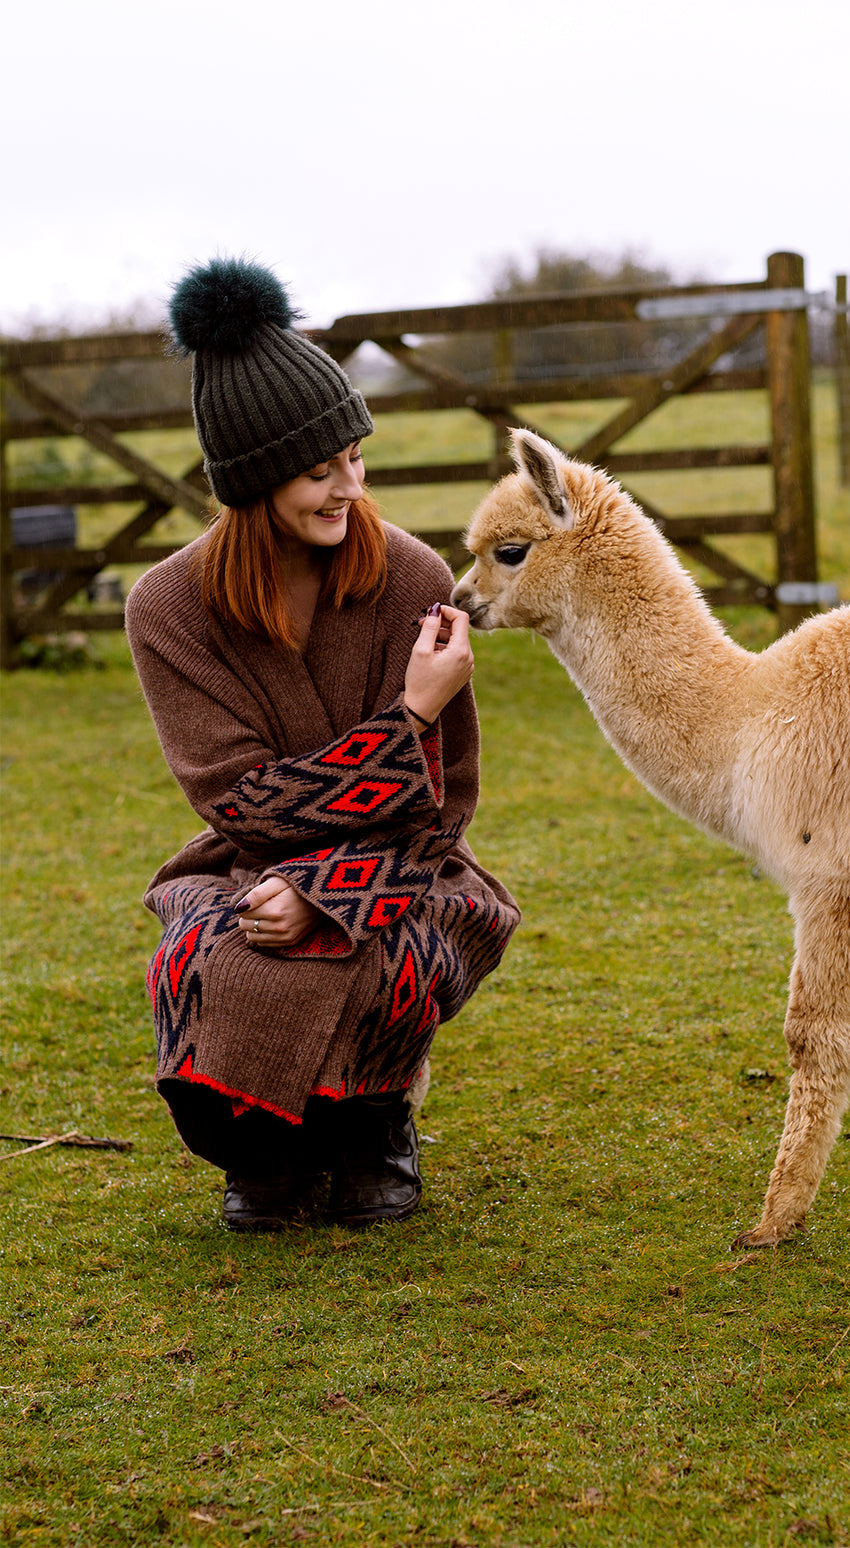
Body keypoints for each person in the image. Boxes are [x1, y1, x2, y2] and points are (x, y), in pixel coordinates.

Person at [125, 257, 520, 1231]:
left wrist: (328, 890)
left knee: (388, 947)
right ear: (256, 482)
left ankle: (371, 1127)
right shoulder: (167, 608)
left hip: (411, 860)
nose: (351, 485)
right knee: (203, 959)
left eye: (356, 457)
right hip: (243, 864)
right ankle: (264, 1150)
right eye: (320, 470)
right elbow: (240, 804)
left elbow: (445, 802)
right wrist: (403, 725)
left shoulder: (410, 577)